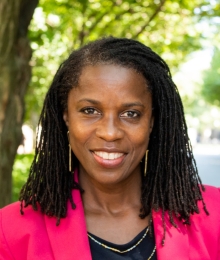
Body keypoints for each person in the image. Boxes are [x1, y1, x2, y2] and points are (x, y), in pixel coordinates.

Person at [0, 37, 219, 260]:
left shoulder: (214, 214)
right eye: (89, 110)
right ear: (65, 115)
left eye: (131, 114)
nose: (110, 132)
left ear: (151, 121)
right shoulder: (10, 232)